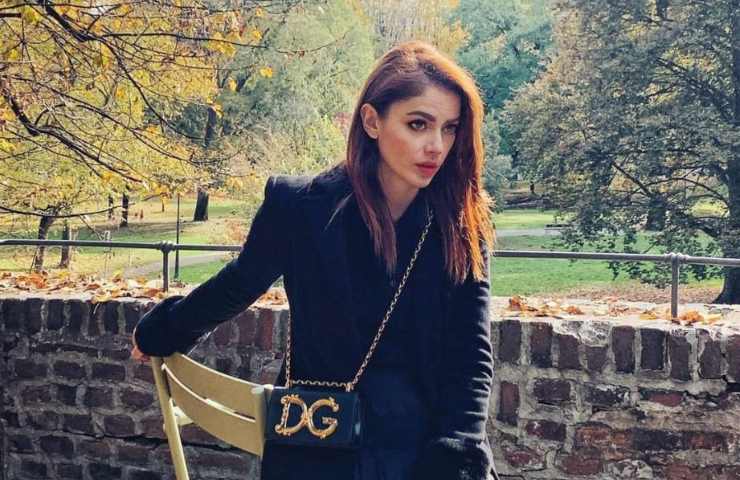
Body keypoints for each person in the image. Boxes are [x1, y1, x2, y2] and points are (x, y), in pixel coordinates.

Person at [131, 40, 499, 480]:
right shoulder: (299, 206)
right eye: (418, 124)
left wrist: (457, 454)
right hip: (319, 440)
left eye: (450, 128)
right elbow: (239, 284)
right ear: (372, 121)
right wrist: (163, 330)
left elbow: (471, 354)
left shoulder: (462, 221)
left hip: (424, 450)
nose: (436, 146)